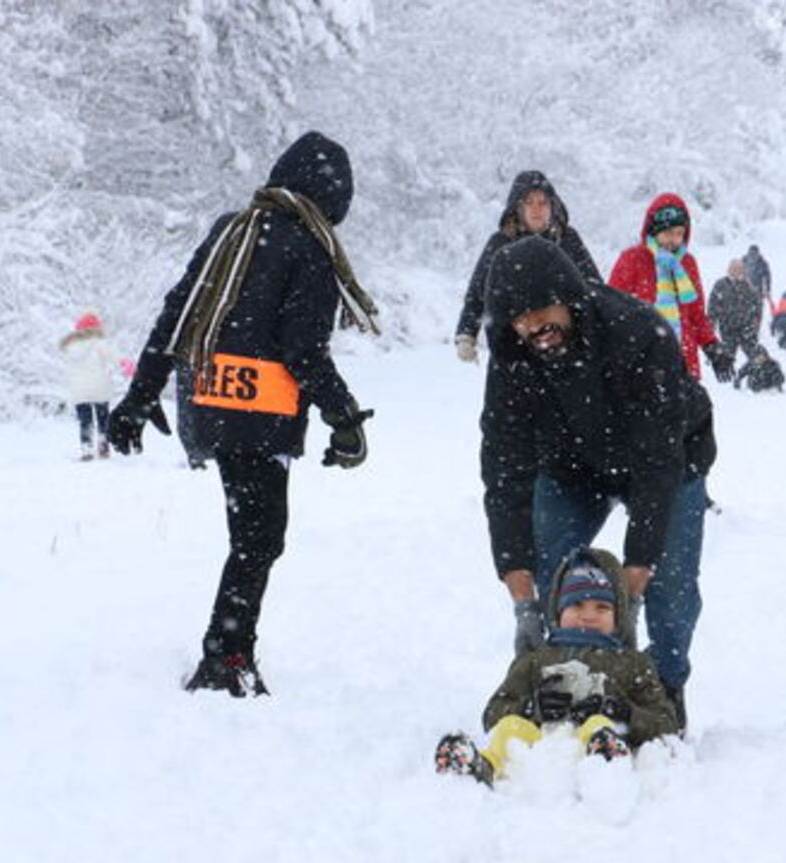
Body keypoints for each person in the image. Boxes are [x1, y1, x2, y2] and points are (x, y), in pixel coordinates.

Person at [108, 131, 378, 697]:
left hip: (209, 404)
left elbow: (178, 312)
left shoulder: (232, 231)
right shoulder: (308, 245)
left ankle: (228, 650)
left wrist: (141, 396)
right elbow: (302, 350)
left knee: (250, 536)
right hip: (263, 414)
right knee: (259, 540)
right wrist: (344, 416)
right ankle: (226, 656)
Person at [478, 235, 717, 732]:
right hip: (572, 467)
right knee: (551, 571)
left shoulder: (637, 332)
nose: (534, 329)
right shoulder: (512, 354)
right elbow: (505, 471)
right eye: (520, 320)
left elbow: (657, 465)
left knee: (669, 587)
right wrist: (522, 598)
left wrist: (633, 580)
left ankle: (663, 687)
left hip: (670, 460)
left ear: (568, 296)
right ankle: (557, 679)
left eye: (543, 312)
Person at [435, 548, 679, 784]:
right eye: (577, 606)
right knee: (510, 727)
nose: (588, 616)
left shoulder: (632, 663)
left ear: (618, 616)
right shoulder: (535, 659)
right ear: (558, 611)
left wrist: (624, 712)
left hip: (597, 741)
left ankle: (606, 763)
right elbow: (494, 712)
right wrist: (532, 708)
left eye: (602, 607)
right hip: (539, 746)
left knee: (598, 725)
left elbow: (666, 721)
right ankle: (482, 767)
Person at [454, 170, 601, 363]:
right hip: (514, 345)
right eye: (528, 202)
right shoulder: (500, 243)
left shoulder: (568, 239)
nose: (536, 209)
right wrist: (467, 333)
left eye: (542, 202)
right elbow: (478, 291)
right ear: (518, 208)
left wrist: (604, 328)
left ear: (553, 206)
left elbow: (594, 286)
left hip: (563, 342)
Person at [607, 193, 732, 383]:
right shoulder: (632, 259)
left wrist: (711, 346)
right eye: (667, 233)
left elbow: (696, 315)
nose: (673, 240)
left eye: (679, 233)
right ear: (653, 231)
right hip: (641, 363)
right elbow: (611, 309)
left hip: (684, 364)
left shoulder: (687, 264)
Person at [59, 312, 132, 460]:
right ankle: (103, 445)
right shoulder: (99, 343)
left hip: (79, 390)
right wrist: (126, 364)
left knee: (85, 421)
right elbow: (114, 356)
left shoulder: (71, 347)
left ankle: (87, 449)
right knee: (103, 419)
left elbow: (67, 369)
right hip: (99, 387)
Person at [706, 259, 763, 377]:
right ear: (729, 269)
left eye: (739, 269)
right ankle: (727, 378)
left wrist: (755, 324)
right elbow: (712, 307)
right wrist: (711, 326)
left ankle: (759, 377)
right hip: (727, 327)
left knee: (756, 355)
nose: (736, 271)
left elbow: (757, 306)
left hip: (746, 327)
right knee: (727, 355)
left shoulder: (748, 285)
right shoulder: (720, 284)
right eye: (734, 269)